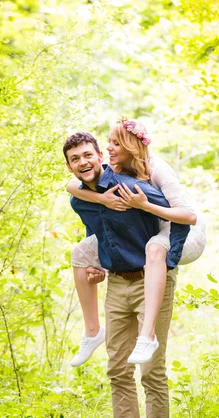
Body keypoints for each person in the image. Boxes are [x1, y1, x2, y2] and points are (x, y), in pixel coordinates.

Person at [63, 130, 190, 418]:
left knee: (151, 371)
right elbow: (99, 234)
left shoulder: (132, 187)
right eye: (75, 159)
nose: (83, 162)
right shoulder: (79, 199)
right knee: (117, 370)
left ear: (99, 157)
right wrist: (97, 265)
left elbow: (180, 220)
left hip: (152, 281)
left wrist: (168, 257)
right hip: (118, 284)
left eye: (88, 155)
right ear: (69, 167)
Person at [67, 118, 206, 367]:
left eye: (115, 143)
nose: (110, 148)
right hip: (144, 238)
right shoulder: (108, 173)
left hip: (181, 228)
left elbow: (189, 216)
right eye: (108, 142)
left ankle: (147, 335)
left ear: (130, 146)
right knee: (79, 252)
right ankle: (92, 331)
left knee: (154, 249)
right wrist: (102, 202)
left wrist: (143, 205)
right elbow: (73, 187)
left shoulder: (154, 171)